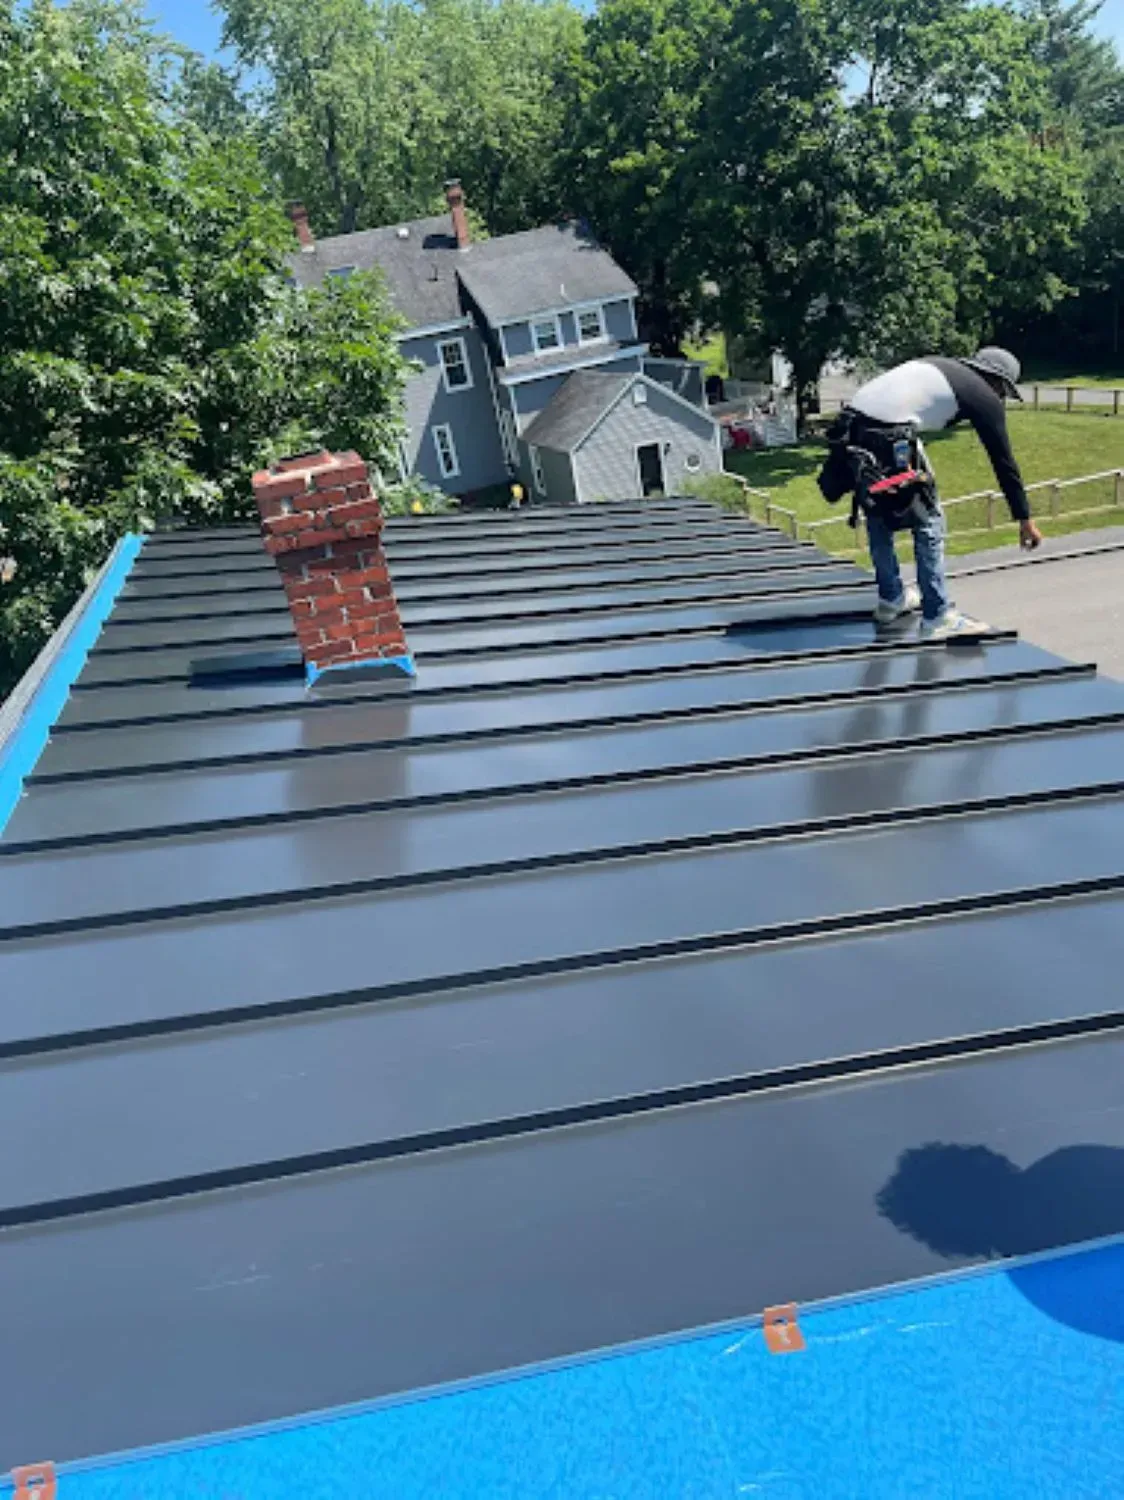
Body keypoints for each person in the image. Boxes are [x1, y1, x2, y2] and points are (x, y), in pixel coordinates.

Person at [817, 348, 1043, 639]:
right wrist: (1025, 519)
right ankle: (937, 616)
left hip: (855, 425)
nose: (1001, 398)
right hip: (890, 432)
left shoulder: (946, 368)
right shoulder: (983, 396)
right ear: (996, 381)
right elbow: (1004, 463)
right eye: (1003, 391)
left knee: (875, 506)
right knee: (929, 518)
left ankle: (891, 598)